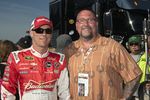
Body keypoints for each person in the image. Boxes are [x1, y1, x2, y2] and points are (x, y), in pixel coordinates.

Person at [68, 8, 142, 100]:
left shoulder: (113, 47)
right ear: (76, 25)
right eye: (81, 20)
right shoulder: (70, 49)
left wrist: (124, 98)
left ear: (97, 23)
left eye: (90, 20)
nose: (86, 24)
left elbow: (134, 75)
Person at [1, 16, 70, 100]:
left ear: (51, 34)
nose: (44, 34)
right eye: (39, 30)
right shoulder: (16, 57)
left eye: (48, 31)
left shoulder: (60, 59)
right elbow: (7, 91)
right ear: (31, 33)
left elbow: (65, 94)